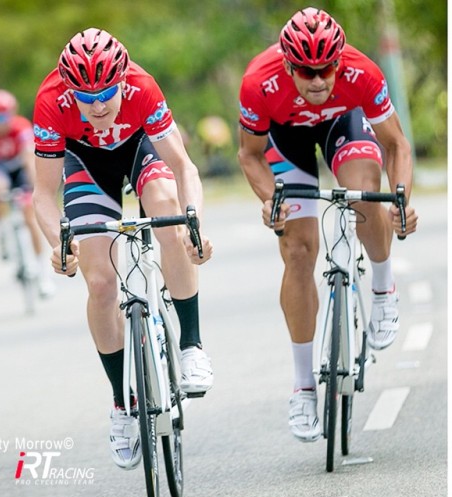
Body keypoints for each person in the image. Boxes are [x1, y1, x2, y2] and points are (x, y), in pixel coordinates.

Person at [32, 28, 214, 470]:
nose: (97, 106)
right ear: (68, 89)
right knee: (99, 282)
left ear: (122, 80)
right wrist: (59, 245)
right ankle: (120, 404)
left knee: (167, 211)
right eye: (85, 96)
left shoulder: (142, 88)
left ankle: (190, 344)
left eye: (107, 92)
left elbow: (184, 167)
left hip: (140, 150)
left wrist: (194, 225)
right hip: (85, 163)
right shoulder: (50, 101)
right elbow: (41, 193)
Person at [237, 7, 418, 443]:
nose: (317, 80)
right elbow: (249, 155)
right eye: (305, 70)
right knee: (298, 251)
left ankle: (382, 285)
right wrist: (270, 202)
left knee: (365, 194)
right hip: (286, 139)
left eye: (326, 69)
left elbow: (396, 144)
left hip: (344, 125)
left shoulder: (363, 74)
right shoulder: (258, 83)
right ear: (287, 64)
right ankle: (302, 387)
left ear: (339, 61)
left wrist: (400, 202)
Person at [0, 89, 55, 297]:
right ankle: (3, 230)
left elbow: (29, 160)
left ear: (12, 112)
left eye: (4, 114)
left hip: (18, 167)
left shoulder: (22, 127)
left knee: (30, 215)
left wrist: (37, 192)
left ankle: (43, 272)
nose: (0, 121)